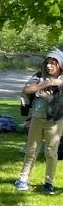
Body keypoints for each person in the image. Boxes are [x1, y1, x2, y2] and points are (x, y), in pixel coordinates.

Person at [13, 49, 63, 194]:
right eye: (47, 63)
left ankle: (49, 183)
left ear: (60, 64)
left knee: (51, 152)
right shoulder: (39, 76)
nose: (49, 66)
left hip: (55, 121)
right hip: (36, 118)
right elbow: (27, 89)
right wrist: (46, 84)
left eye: (53, 63)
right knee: (31, 150)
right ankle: (23, 179)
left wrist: (50, 99)